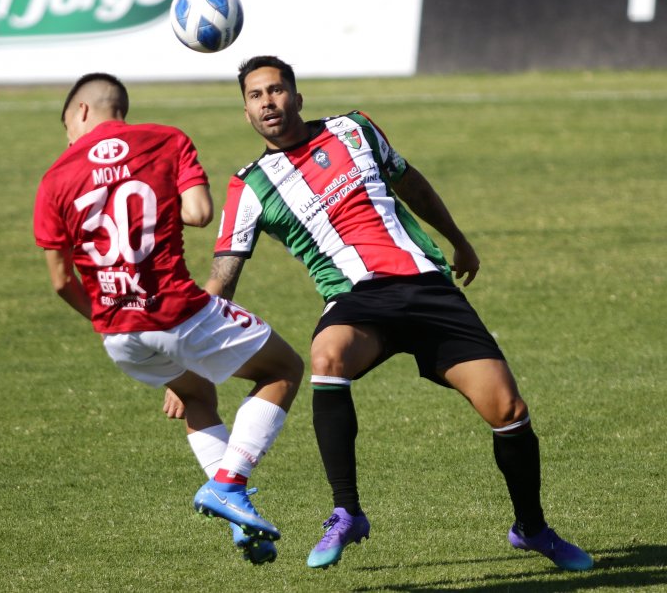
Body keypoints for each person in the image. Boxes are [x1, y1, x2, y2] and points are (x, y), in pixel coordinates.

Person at [166, 55, 594, 571]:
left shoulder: (354, 129)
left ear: (297, 97)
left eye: (276, 90)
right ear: (246, 113)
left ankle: (532, 528)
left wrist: (458, 241)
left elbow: (410, 182)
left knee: (509, 411)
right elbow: (223, 278)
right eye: (255, 96)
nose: (268, 102)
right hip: (357, 298)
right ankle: (347, 512)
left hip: (428, 287)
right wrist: (189, 355)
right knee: (327, 356)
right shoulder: (250, 185)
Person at [32, 72, 304, 565]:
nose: (68, 137)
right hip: (177, 311)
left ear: (82, 112)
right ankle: (229, 484)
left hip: (118, 335)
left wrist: (105, 315)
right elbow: (199, 213)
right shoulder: (165, 139)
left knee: (196, 394)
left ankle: (237, 519)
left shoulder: (56, 177)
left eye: (66, 126)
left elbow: (60, 280)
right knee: (283, 369)